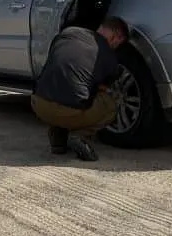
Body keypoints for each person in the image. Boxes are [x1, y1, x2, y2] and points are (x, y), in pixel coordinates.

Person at [30, 16, 130, 161]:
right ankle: (80, 136)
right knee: (109, 104)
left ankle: (58, 140)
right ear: (116, 37)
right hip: (67, 110)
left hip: (38, 103)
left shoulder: (69, 32)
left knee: (63, 87)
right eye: (119, 44)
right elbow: (100, 88)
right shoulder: (109, 57)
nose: (117, 48)